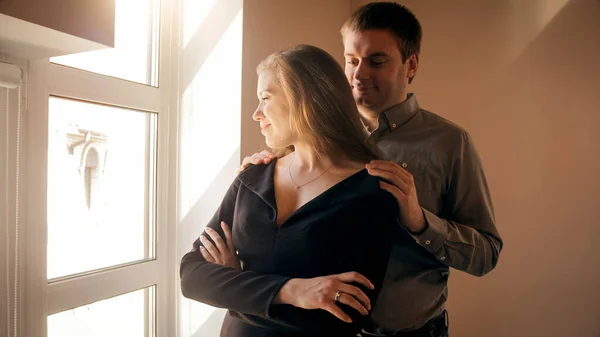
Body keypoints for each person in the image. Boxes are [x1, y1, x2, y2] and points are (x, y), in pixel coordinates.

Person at [235, 2, 503, 336]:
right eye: (351, 61)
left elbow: (486, 255)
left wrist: (420, 222)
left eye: (377, 61)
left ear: (411, 64)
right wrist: (261, 178)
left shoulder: (450, 143)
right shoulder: (308, 137)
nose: (359, 74)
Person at [180, 44, 400, 337]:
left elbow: (341, 319)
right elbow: (192, 276)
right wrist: (292, 290)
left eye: (265, 98)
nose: (256, 113)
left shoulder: (373, 192)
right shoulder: (252, 177)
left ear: (303, 100)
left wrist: (236, 284)